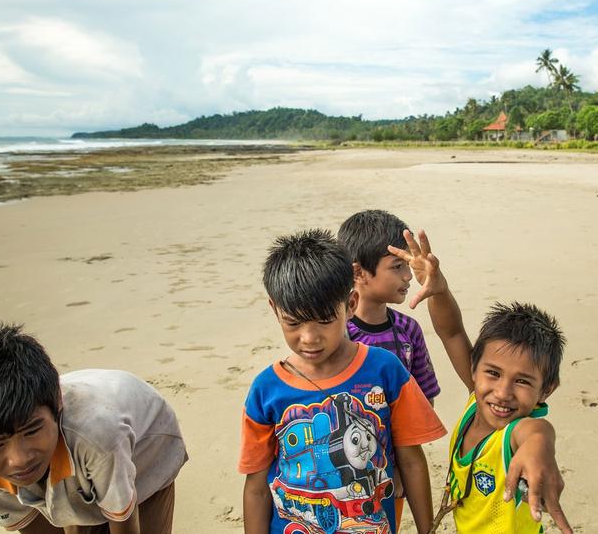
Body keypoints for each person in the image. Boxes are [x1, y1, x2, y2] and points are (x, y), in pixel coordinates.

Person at [239, 229, 446, 534]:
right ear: (274, 309)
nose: (309, 338)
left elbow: (412, 460)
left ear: (350, 304)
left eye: (324, 320)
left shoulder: (385, 370)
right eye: (293, 322)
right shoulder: (265, 390)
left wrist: (427, 529)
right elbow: (256, 487)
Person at [388, 229, 574, 534]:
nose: (502, 392)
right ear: (474, 368)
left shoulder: (515, 431)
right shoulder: (478, 396)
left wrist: (540, 447)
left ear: (546, 390)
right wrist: (438, 291)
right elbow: (452, 333)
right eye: (494, 373)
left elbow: (536, 433)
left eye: (523, 381)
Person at [0, 321, 188, 534]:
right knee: (74, 510)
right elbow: (31, 524)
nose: (20, 459)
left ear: (57, 402)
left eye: (31, 430)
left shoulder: (99, 435)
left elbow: (123, 516)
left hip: (146, 445)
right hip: (76, 448)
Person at [338, 210, 440, 404]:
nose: (408, 276)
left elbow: (425, 398)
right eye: (397, 266)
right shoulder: (338, 332)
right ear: (359, 272)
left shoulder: (409, 330)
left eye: (407, 265)